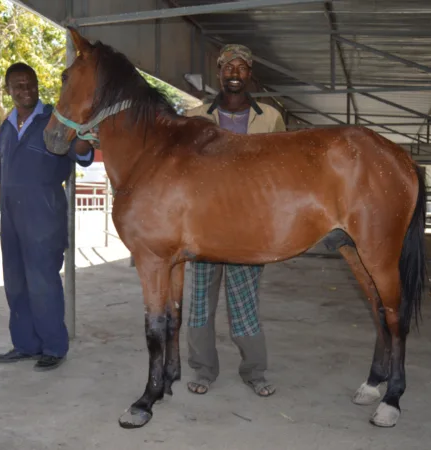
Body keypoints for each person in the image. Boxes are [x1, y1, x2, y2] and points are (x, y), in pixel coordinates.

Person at [184, 44, 286, 396]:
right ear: (219, 72)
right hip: (203, 227)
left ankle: (255, 373)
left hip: (248, 229)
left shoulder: (270, 118)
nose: (234, 74)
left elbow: (281, 171)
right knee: (200, 305)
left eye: (241, 68)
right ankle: (202, 370)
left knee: (244, 304)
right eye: (228, 67)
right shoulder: (195, 115)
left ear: (250, 73)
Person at [0, 62, 94, 371]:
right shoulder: (6, 127)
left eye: (30, 84)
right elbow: (3, 174)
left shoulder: (54, 121)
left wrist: (87, 136)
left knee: (42, 281)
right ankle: (25, 344)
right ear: (8, 90)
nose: (26, 90)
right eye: (18, 86)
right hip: (11, 215)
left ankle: (53, 347)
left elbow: (81, 154)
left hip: (44, 211)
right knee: (15, 282)